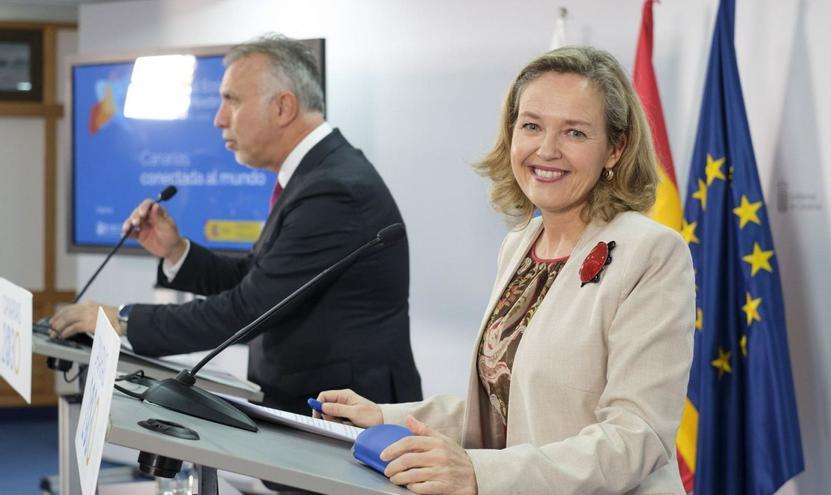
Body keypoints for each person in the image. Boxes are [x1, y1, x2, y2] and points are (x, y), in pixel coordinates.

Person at [314, 46, 695, 495]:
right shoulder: (520, 244)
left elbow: (637, 437)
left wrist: (481, 473)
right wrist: (384, 416)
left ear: (616, 148)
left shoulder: (651, 252)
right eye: (531, 125)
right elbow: (510, 406)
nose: (546, 149)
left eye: (574, 132)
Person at [50, 34, 422, 415]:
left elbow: (247, 308)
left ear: (283, 107)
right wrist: (176, 252)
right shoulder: (315, 175)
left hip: (345, 416)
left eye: (231, 100)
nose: (218, 118)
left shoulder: (333, 190)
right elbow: (258, 278)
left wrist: (120, 319)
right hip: (313, 401)